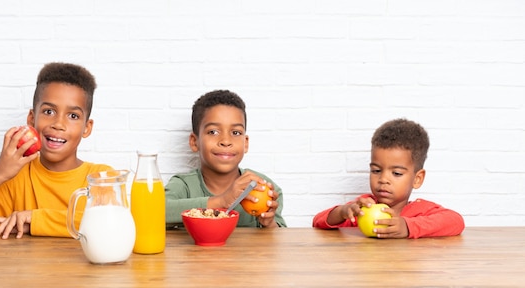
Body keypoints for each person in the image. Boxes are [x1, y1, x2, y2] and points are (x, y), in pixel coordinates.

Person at [0, 62, 112, 239]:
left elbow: (107, 223)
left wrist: (33, 220)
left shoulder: (101, 177)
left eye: (73, 116)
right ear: (32, 119)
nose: (58, 124)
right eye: (49, 112)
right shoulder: (15, 179)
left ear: (87, 128)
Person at [312, 118, 464, 239]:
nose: (383, 179)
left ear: (417, 179)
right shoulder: (364, 207)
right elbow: (318, 221)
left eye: (396, 173)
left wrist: (406, 227)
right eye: (376, 170)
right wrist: (342, 212)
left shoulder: (421, 211)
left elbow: (456, 221)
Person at [165, 90, 286, 228]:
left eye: (236, 132)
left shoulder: (261, 186)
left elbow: (280, 239)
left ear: (245, 143)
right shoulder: (183, 186)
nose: (226, 141)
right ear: (194, 141)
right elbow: (155, 211)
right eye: (213, 132)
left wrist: (269, 223)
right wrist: (221, 201)